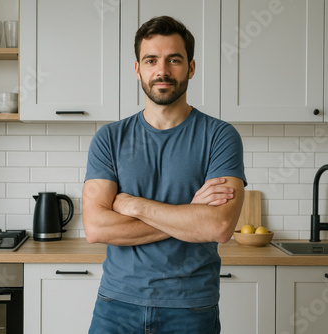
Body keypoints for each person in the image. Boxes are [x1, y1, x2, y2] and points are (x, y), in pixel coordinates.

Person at [83, 15, 247, 334]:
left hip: (191, 307)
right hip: (115, 307)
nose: (162, 70)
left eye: (174, 59)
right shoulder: (109, 138)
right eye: (151, 60)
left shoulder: (220, 136)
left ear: (191, 67)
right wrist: (190, 216)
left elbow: (218, 225)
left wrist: (134, 205)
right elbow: (96, 227)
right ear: (138, 69)